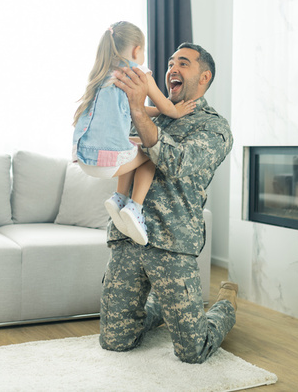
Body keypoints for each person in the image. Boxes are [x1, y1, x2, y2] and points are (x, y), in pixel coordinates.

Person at [99, 42, 239, 364]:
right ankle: (163, 307)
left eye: (184, 63)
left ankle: (226, 303)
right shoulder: (154, 114)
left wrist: (138, 111)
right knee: (115, 341)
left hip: (172, 243)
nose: (172, 68)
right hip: (127, 238)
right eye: (171, 62)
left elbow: (177, 163)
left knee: (193, 351)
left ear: (204, 77)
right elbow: (117, 148)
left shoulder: (215, 127)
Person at [72, 22, 195, 245]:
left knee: (130, 143)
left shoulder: (101, 75)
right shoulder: (138, 74)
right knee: (152, 152)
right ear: (137, 50)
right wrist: (177, 110)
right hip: (107, 162)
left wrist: (155, 111)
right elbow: (168, 108)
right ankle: (134, 207)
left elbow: (130, 106)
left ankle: (119, 197)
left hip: (84, 158)